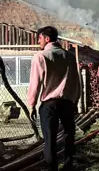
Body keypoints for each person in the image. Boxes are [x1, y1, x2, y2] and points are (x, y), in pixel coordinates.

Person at [28, 26, 80, 171]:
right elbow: (76, 81)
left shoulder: (41, 56)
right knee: (69, 137)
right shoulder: (69, 56)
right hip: (67, 103)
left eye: (39, 38)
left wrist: (31, 105)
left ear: (47, 38)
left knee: (50, 141)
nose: (38, 42)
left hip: (49, 105)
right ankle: (68, 166)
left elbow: (35, 83)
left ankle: (53, 169)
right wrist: (75, 101)